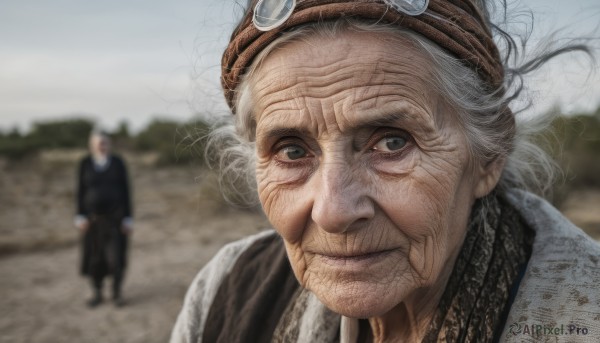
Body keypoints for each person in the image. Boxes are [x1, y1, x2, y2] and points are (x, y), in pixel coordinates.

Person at [171, 0, 600, 342]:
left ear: (489, 155)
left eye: (392, 142)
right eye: (291, 150)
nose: (333, 211)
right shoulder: (228, 291)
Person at [75, 130, 133, 307]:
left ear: (109, 144)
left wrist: (128, 218)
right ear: (91, 145)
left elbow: (126, 191)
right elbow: (80, 191)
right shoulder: (85, 163)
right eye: (98, 143)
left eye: (104, 142)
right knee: (94, 258)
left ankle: (116, 293)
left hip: (115, 220)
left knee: (116, 258)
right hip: (92, 221)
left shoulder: (118, 163)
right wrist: (79, 216)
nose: (102, 146)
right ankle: (97, 293)